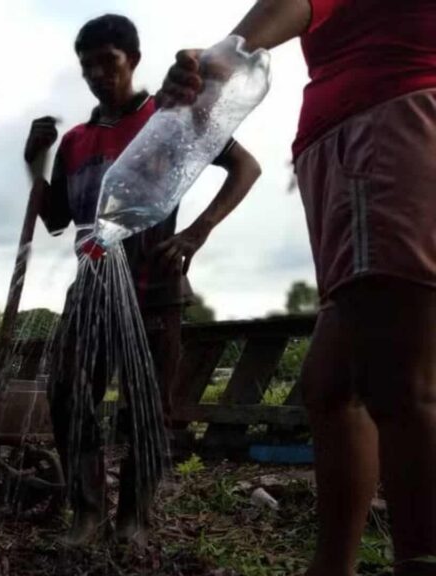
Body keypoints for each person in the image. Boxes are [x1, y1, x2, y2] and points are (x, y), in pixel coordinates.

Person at [159, 1, 436, 574]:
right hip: (356, 144)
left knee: (400, 382)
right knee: (331, 386)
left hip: (384, 127)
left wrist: (228, 53)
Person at [25, 14, 261, 545]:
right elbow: (57, 219)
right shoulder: (77, 141)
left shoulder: (170, 117)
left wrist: (197, 232)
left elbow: (246, 167)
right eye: (87, 67)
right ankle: (87, 514)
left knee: (148, 407)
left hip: (155, 284)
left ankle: (134, 518)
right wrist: (32, 165)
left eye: (107, 63)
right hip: (91, 285)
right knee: (67, 392)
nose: (96, 75)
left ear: (131, 59)